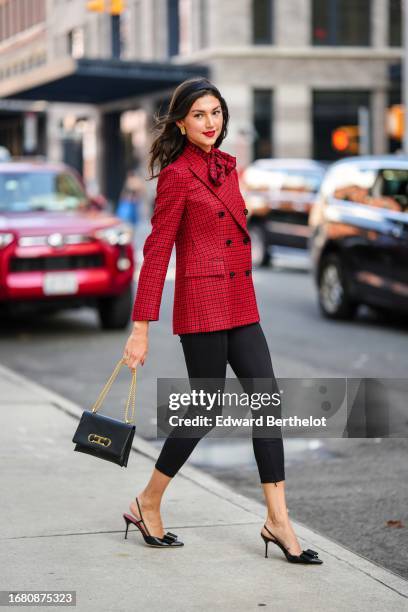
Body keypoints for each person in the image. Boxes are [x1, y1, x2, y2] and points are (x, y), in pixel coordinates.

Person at [121, 77, 323, 564]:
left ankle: (277, 520)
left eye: (216, 113)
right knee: (206, 409)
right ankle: (147, 501)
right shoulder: (176, 176)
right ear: (181, 123)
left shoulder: (227, 169)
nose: (210, 123)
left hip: (241, 303)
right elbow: (156, 252)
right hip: (202, 308)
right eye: (199, 115)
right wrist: (141, 326)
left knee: (267, 401)